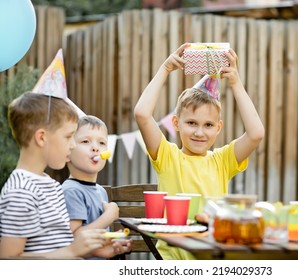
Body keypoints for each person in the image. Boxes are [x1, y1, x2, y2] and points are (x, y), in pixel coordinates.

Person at [134, 43, 265, 259]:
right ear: (176, 123)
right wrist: (165, 69)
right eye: (192, 123)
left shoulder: (222, 161)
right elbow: (142, 114)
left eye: (208, 125)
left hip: (213, 259)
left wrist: (236, 83)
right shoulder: (168, 156)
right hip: (172, 261)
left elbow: (256, 134)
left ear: (218, 128)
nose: (199, 133)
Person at [0, 93, 129, 259]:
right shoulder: (21, 192)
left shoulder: (51, 185)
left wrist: (95, 250)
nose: (73, 144)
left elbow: (60, 245)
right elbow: (7, 260)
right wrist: (72, 251)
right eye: (68, 136)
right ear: (42, 138)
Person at [62, 115, 131, 256]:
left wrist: (111, 240)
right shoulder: (71, 191)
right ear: (68, 152)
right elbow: (73, 240)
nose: (95, 148)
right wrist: (109, 216)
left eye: (102, 143)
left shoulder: (100, 191)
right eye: (86, 141)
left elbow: (95, 238)